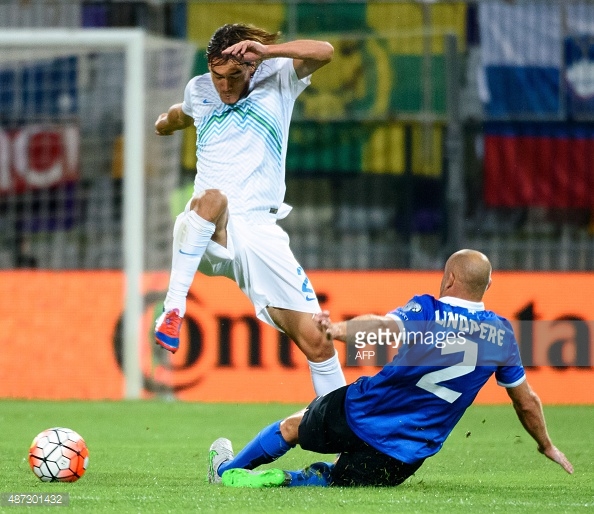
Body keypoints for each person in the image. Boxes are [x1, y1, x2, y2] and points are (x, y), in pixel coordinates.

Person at [206, 249, 574, 487]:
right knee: (334, 479)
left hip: (359, 414)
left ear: (449, 278)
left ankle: (225, 471)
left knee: (292, 428)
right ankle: (288, 479)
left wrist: (340, 331)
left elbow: (383, 328)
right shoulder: (502, 336)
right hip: (404, 457)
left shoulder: (428, 309)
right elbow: (526, 401)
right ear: (488, 285)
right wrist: (546, 445)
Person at [153, 24, 345, 396]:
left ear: (251, 65)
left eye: (233, 76)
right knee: (213, 198)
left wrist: (268, 51)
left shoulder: (278, 77)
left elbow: (325, 51)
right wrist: (165, 123)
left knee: (319, 342)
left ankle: (342, 430)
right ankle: (173, 308)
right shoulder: (200, 89)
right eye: (217, 76)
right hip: (206, 230)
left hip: (260, 233)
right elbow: (183, 113)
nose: (224, 86)